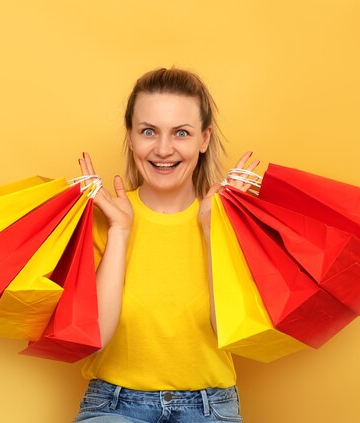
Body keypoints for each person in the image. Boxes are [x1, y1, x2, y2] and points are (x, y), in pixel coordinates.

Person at [73, 67, 259, 423]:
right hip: (114, 404)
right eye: (148, 131)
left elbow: (230, 332)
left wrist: (210, 227)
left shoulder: (228, 222)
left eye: (181, 133)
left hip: (209, 407)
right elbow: (95, 336)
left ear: (204, 139)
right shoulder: (103, 218)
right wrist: (120, 231)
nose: (162, 149)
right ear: (130, 136)